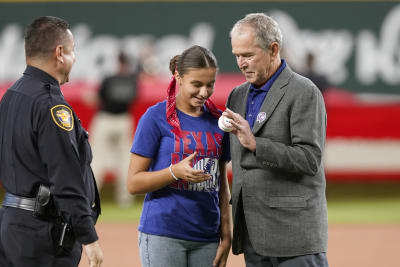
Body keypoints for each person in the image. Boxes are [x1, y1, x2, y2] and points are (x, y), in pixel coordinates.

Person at [224, 13, 328, 266]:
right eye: (236, 55)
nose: (241, 63)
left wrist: (257, 144)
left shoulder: (304, 91)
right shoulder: (237, 96)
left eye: (248, 55)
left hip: (294, 238)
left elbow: (309, 159)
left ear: (273, 49)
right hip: (253, 235)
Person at [0, 16, 103, 267]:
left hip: (11, 226)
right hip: (43, 236)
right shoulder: (50, 105)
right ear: (59, 53)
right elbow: (65, 178)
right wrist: (88, 238)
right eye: (73, 50)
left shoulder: (10, 97)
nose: (75, 57)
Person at [127, 45, 232, 267]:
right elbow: (134, 183)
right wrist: (174, 172)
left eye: (210, 84)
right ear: (178, 77)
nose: (204, 92)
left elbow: (221, 184)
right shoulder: (155, 117)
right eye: (197, 84)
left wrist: (227, 232)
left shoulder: (219, 121)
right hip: (163, 233)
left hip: (207, 237)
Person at [90, 51, 138, 208]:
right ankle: (125, 200)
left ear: (118, 62)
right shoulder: (132, 80)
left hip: (106, 119)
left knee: (97, 159)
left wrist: (90, 98)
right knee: (125, 160)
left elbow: (98, 99)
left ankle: (90, 198)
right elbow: (134, 99)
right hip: (123, 120)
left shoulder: (109, 79)